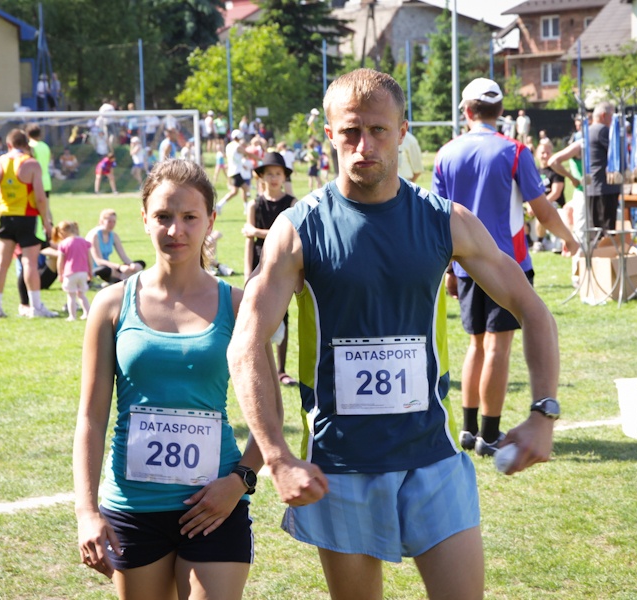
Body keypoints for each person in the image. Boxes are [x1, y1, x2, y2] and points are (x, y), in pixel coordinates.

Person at [227, 68, 564, 600]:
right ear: (330, 135)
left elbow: (533, 309)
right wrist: (276, 455)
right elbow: (247, 342)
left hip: (434, 458)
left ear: (403, 131)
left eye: (379, 130)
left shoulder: (445, 221)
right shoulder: (298, 228)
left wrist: (544, 411)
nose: (364, 146)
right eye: (350, 132)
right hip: (340, 467)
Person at [73, 159, 273, 598]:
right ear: (144, 218)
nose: (175, 230)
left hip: (215, 504)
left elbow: (269, 413)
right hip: (133, 508)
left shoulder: (239, 306)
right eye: (163, 216)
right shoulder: (110, 304)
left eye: (189, 217)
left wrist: (239, 481)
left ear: (210, 221)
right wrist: (86, 512)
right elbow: (91, 416)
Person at [433, 77, 578, 458]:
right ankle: (489, 434)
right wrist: (569, 238)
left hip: (464, 266)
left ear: (466, 111)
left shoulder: (446, 153)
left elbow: (439, 221)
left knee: (476, 345)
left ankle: (468, 430)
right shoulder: (515, 151)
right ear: (500, 112)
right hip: (508, 265)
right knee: (498, 347)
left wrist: (449, 270)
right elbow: (542, 210)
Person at [0, 129, 57, 318]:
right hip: (27, 218)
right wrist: (46, 221)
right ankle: (36, 307)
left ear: (9, 145)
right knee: (29, 262)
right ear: (26, 145)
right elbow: (40, 198)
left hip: (6, 218)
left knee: (1, 264)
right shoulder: (31, 164)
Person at [241, 152, 298, 386]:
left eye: (278, 173)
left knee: (282, 314)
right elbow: (248, 241)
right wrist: (247, 271)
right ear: (261, 177)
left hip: (282, 263)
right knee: (258, 313)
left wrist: (257, 232)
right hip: (259, 262)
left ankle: (281, 370)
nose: (274, 178)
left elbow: (289, 236)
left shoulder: (292, 204)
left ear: (284, 177)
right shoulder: (255, 204)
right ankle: (262, 367)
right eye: (269, 174)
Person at [545, 102, 620, 244]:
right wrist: (572, 178)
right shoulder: (591, 136)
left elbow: (554, 161)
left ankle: (589, 254)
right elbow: (554, 161)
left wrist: (572, 178)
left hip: (589, 188)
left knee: (592, 231)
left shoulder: (585, 138)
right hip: (593, 188)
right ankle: (586, 255)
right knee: (593, 231)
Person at [86, 208, 145, 284]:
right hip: (95, 269)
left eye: (114, 222)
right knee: (105, 270)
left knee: (140, 263)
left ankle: (122, 278)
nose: (112, 224)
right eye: (109, 222)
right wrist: (119, 267)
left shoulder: (113, 235)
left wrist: (132, 265)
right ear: (101, 221)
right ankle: (123, 278)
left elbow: (123, 256)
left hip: (110, 266)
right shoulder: (95, 236)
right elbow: (98, 261)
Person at [531, 138, 567, 253]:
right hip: (537, 203)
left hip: (555, 204)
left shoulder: (556, 171)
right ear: (537, 154)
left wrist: (538, 204)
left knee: (541, 210)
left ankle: (539, 242)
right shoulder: (534, 171)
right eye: (542, 153)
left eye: (548, 152)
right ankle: (527, 241)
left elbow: (556, 193)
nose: (545, 155)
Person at [55, 221, 93, 321]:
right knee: (81, 294)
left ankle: (72, 316)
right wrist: (90, 271)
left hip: (70, 273)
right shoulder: (84, 242)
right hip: (83, 272)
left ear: (63, 232)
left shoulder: (64, 244)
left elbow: (60, 261)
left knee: (71, 295)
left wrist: (60, 273)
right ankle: (88, 313)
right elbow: (89, 258)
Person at [216, 130, 254, 212]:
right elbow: (247, 153)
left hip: (232, 171)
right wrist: (259, 158)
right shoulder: (237, 146)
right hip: (236, 171)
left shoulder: (229, 146)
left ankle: (219, 205)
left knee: (236, 191)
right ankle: (246, 208)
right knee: (244, 188)